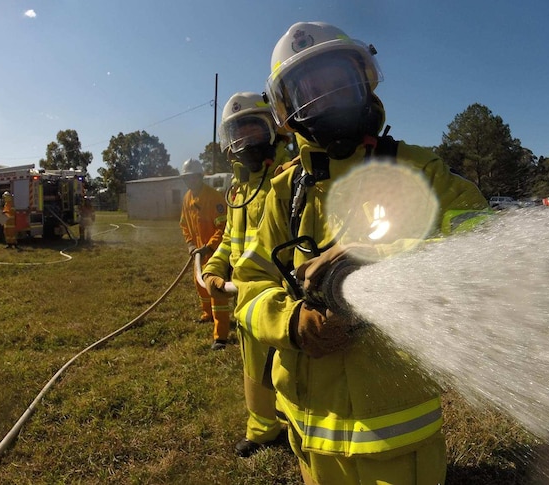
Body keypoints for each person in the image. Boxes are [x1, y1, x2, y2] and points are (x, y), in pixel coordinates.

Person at [232, 22, 491, 485]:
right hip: (309, 428)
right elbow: (250, 285)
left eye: (338, 83)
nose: (327, 99)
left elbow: (482, 242)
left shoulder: (418, 169)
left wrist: (376, 258)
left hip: (398, 426)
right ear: (288, 111)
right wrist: (291, 322)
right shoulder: (281, 192)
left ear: (364, 82)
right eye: (311, 91)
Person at [202, 92, 290, 458]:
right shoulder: (238, 189)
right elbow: (230, 241)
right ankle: (263, 430)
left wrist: (239, 280)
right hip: (245, 300)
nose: (246, 140)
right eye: (238, 133)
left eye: (254, 128)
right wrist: (213, 268)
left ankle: (297, 430)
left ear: (274, 128)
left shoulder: (289, 177)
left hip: (281, 298)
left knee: (288, 370)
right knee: (254, 371)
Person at [179, 158, 231, 350]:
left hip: (215, 253)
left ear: (200, 176)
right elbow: (184, 224)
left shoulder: (214, 198)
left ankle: (221, 336)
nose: (189, 181)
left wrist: (209, 247)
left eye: (192, 177)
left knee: (216, 294)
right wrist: (190, 244)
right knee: (200, 286)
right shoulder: (187, 198)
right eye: (186, 178)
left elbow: (223, 227)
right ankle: (206, 314)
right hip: (198, 253)